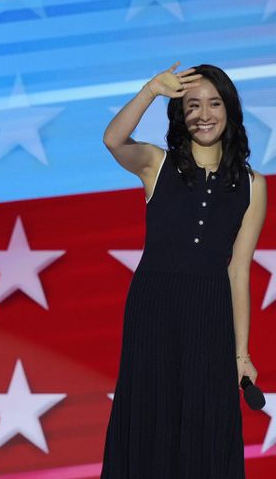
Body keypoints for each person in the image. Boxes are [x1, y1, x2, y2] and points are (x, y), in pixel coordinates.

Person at [101, 62, 266, 478]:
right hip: (153, 311)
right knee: (149, 423)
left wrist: (241, 354)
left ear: (229, 110)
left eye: (214, 104)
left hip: (209, 317)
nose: (204, 114)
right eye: (193, 105)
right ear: (180, 113)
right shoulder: (157, 164)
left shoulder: (253, 184)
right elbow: (114, 139)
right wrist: (150, 89)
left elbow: (239, 273)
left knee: (204, 431)